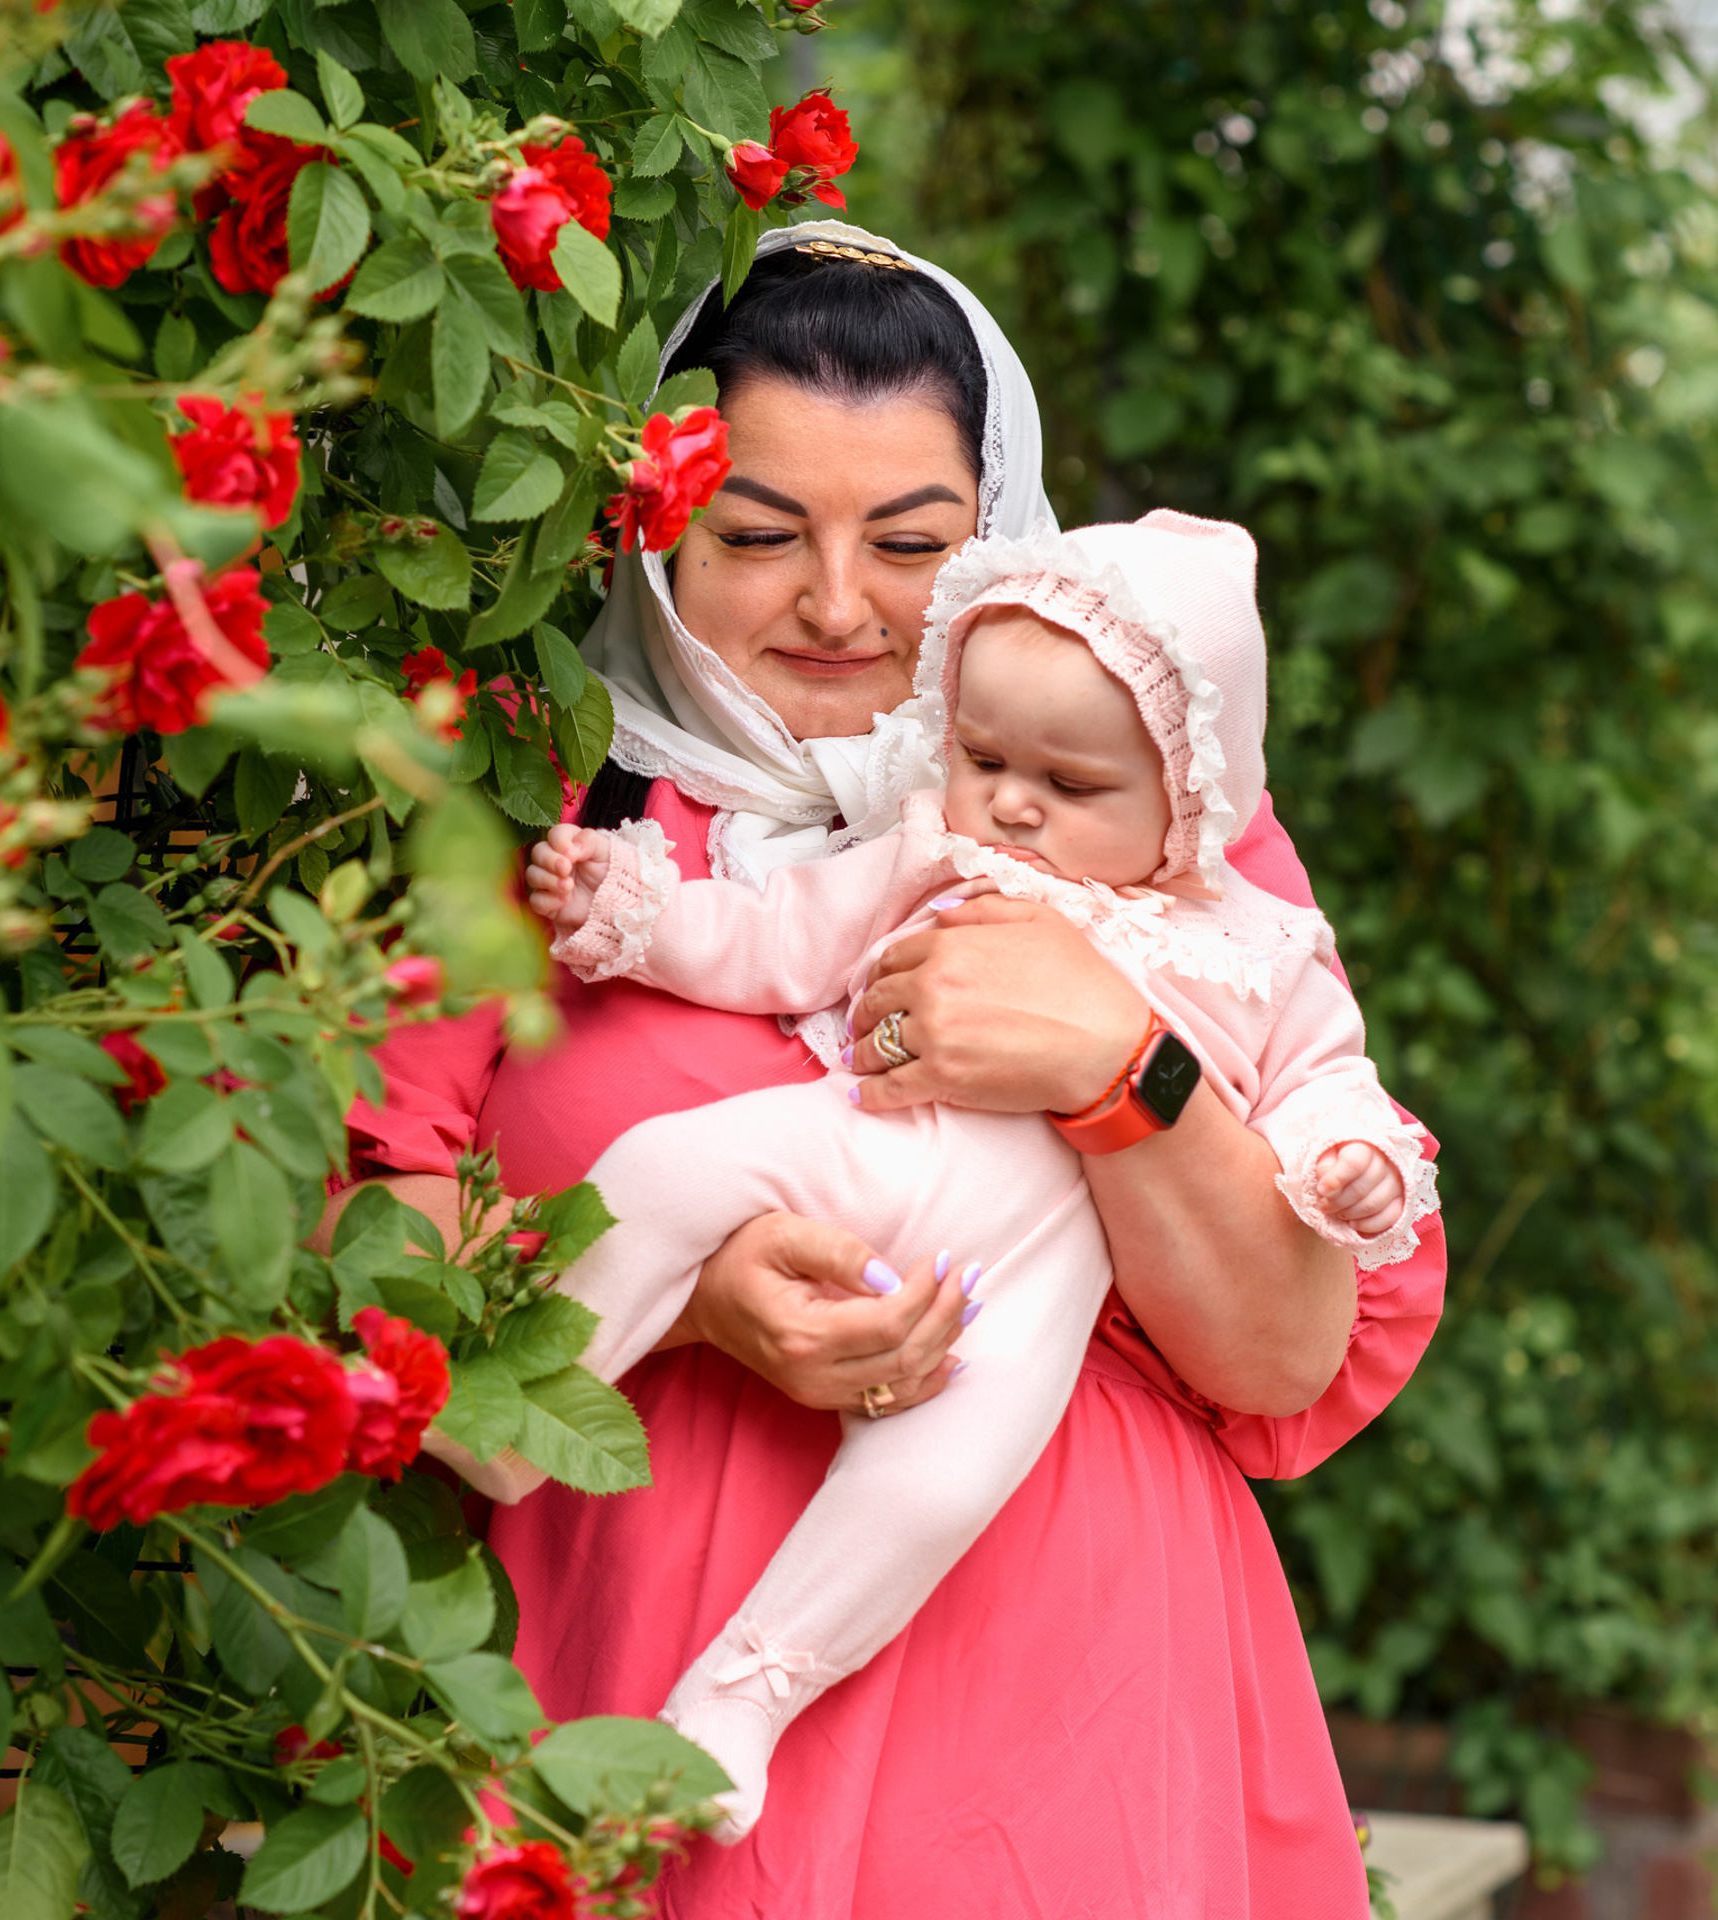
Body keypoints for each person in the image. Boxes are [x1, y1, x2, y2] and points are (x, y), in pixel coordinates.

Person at [337, 221, 1446, 1917]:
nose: (840, 606)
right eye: (756, 534)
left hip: (1091, 1728)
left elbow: (1287, 1348)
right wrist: (693, 1305)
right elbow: (371, 1241)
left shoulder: (1153, 813)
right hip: (658, 1684)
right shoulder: (544, 820)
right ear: (648, 530)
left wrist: (1115, 1065)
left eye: (913, 542)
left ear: (998, 541)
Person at [478, 510, 1440, 1842]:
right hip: (855, 1141)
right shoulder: (936, 845)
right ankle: (522, 1404)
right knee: (663, 1170)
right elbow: (777, 939)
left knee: (937, 1476)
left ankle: (750, 1690)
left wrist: (1346, 1165)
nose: (1017, 803)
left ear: (1191, 792)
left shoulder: (1257, 941)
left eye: (1075, 784)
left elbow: (1324, 1080)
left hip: (1024, 1274)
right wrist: (634, 917)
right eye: (985, 758)